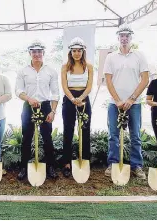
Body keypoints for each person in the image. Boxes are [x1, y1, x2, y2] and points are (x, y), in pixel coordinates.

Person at [103, 25, 149, 179]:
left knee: (135, 135)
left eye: (127, 36)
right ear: (118, 38)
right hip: (114, 104)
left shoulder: (139, 55)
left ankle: (137, 166)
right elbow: (108, 81)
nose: (124, 38)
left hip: (134, 104)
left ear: (131, 38)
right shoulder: (111, 57)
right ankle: (113, 163)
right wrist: (117, 100)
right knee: (113, 135)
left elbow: (145, 79)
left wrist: (131, 99)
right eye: (121, 36)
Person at [15, 41, 60, 181]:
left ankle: (51, 167)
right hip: (29, 106)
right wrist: (29, 99)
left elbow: (55, 93)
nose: (37, 54)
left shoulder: (51, 71)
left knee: (47, 138)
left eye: (39, 51)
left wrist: (53, 111)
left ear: (43, 53)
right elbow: (18, 91)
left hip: (45, 106)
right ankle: (23, 168)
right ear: (30, 53)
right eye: (34, 52)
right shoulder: (23, 71)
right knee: (26, 138)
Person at [61, 37, 93, 178]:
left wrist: (81, 98)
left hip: (84, 98)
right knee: (68, 131)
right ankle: (66, 163)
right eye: (74, 51)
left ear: (83, 51)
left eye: (79, 51)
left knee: (84, 130)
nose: (77, 53)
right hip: (69, 98)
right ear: (70, 52)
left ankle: (84, 160)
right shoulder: (65, 67)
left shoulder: (89, 67)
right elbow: (64, 86)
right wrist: (73, 98)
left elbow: (90, 86)